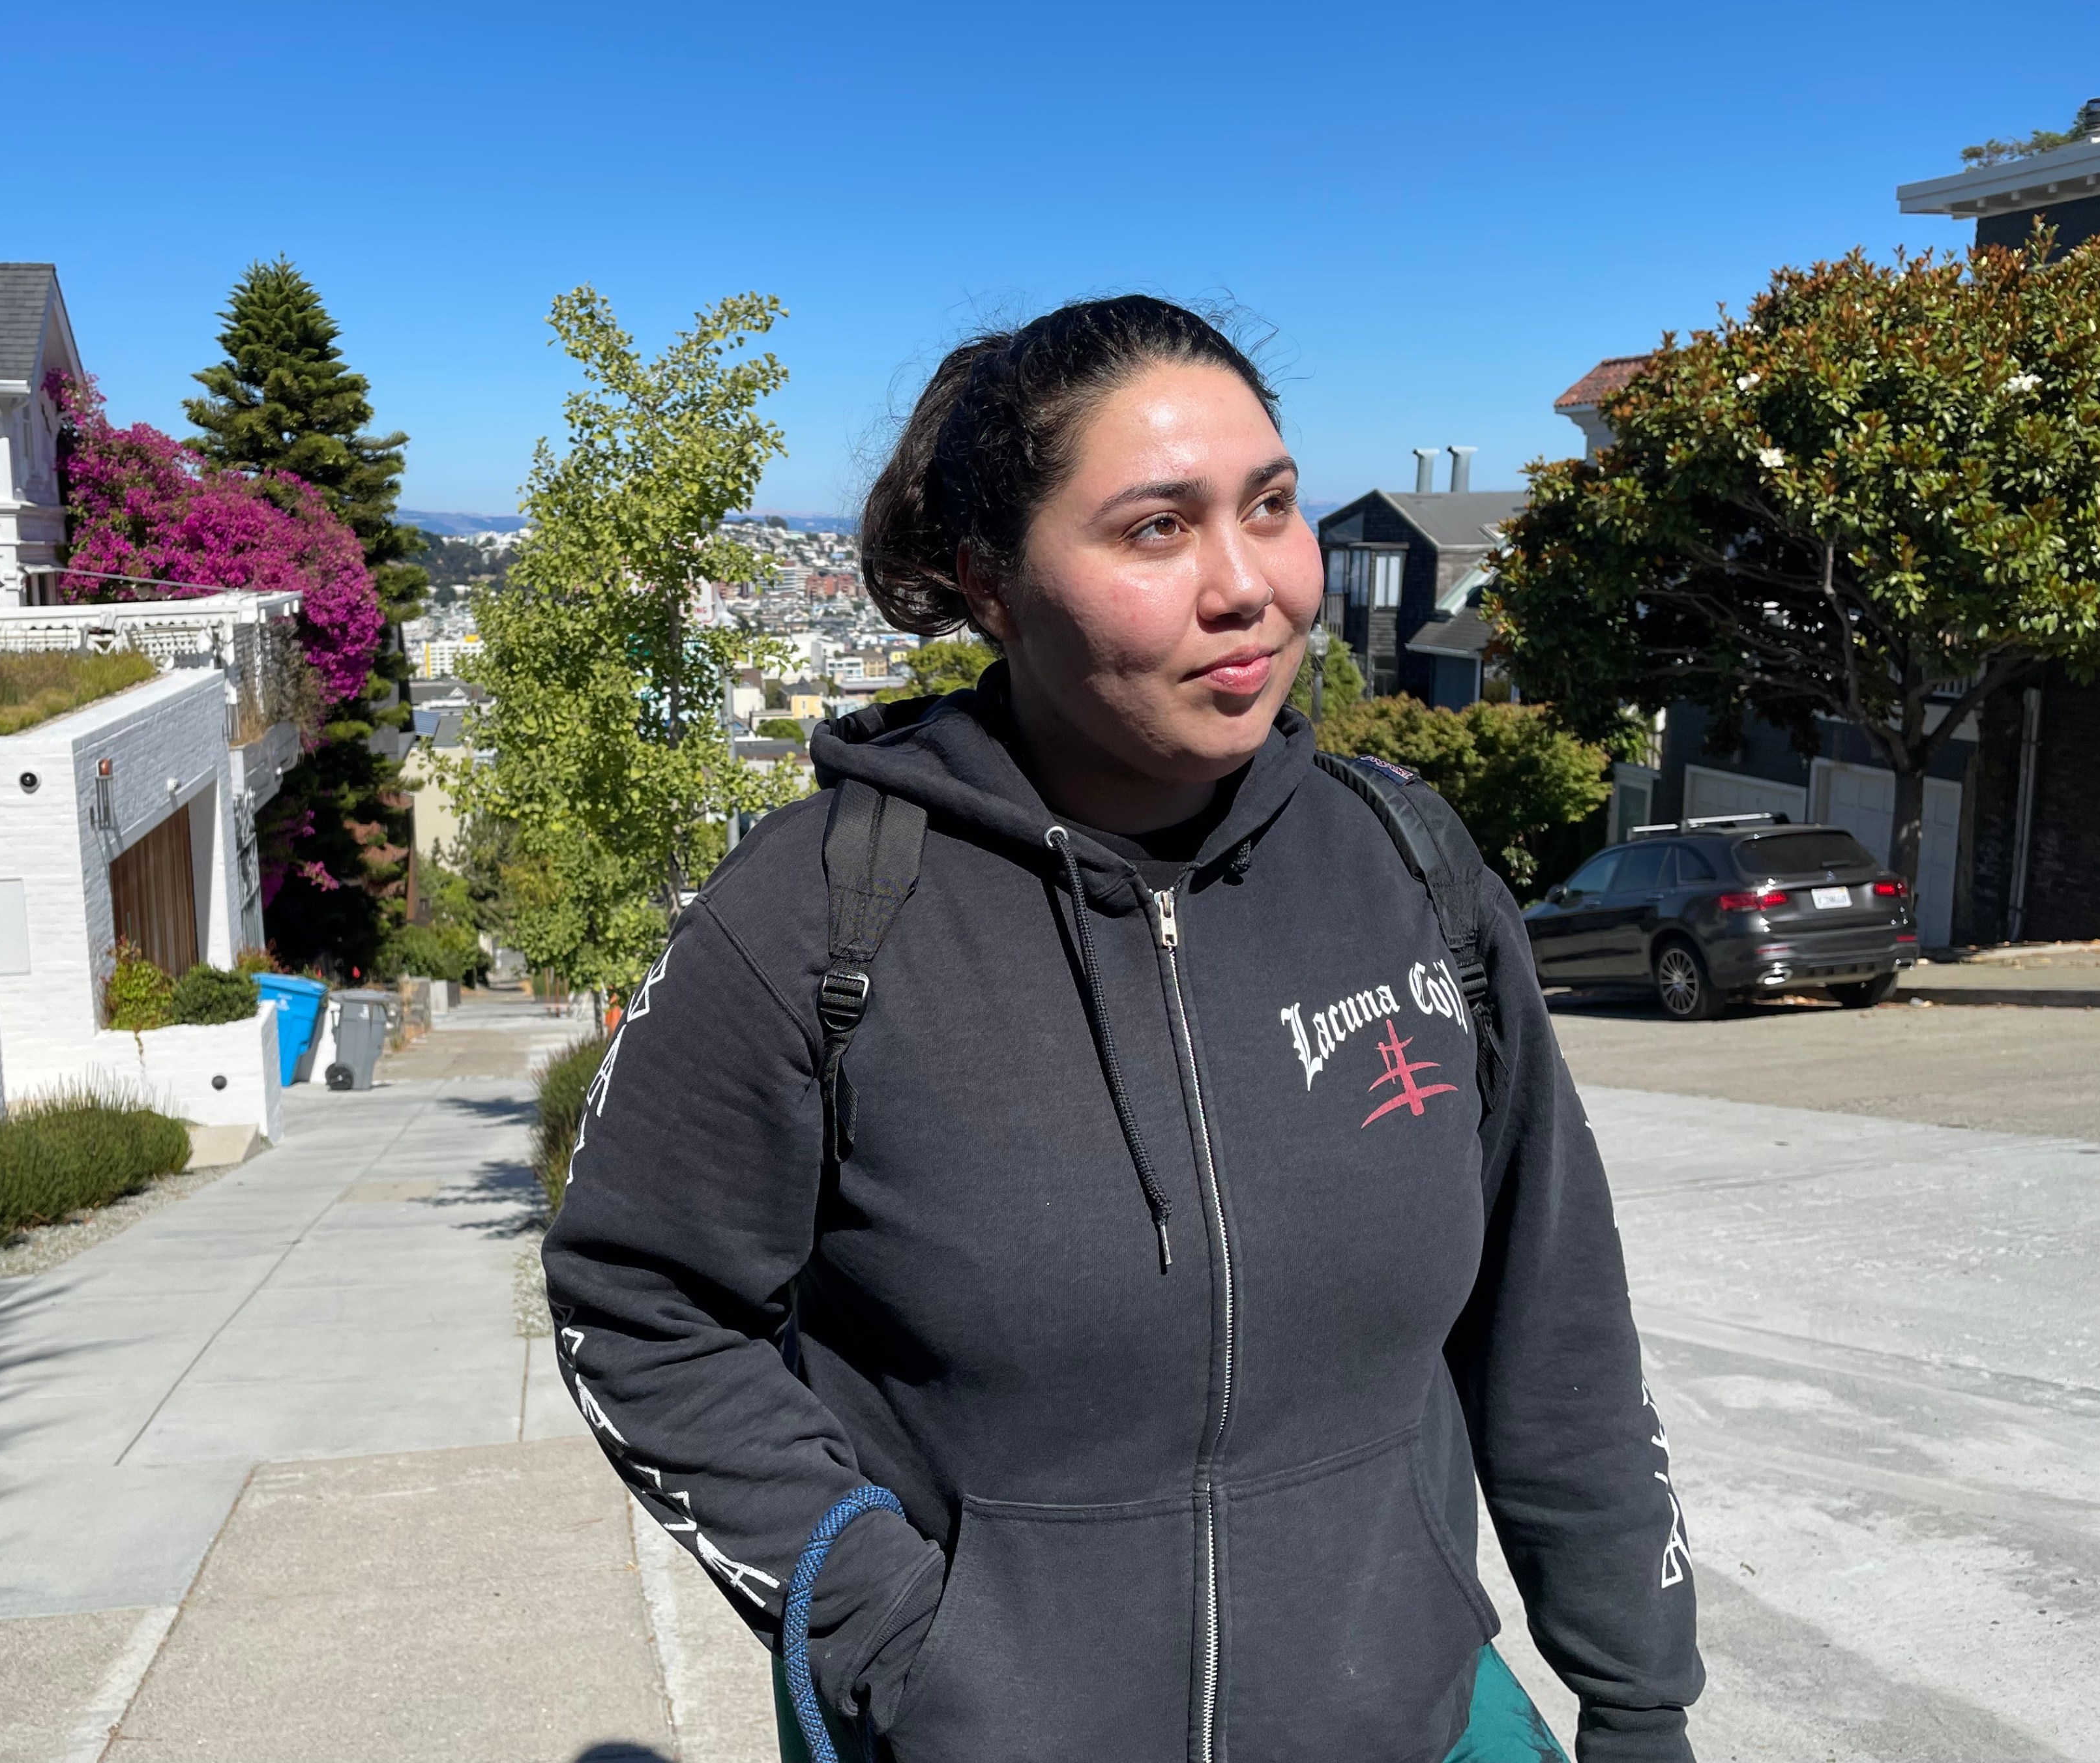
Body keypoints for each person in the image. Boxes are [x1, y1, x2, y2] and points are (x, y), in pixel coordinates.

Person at [543, 297, 1702, 1763]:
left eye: (1270, 508)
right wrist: (890, 1628)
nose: (1251, 586)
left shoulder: (1408, 870)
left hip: (1406, 1724)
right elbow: (641, 1305)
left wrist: (1637, 1696)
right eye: (1156, 528)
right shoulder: (818, 913)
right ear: (990, 582)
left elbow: (1555, 1315)